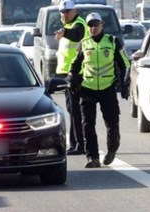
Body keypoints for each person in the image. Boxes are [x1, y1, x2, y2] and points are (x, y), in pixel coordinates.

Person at [67, 12, 130, 168]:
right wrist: (71, 79)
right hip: (87, 88)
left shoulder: (112, 41)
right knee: (87, 124)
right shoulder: (84, 43)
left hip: (107, 88)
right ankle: (92, 157)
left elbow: (125, 65)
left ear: (102, 25)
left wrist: (124, 85)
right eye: (90, 25)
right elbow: (74, 66)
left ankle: (112, 149)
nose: (93, 28)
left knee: (112, 122)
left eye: (96, 24)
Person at [54, 0, 88, 156]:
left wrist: (65, 33)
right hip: (66, 75)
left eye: (67, 12)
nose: (64, 15)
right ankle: (75, 143)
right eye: (62, 12)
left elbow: (76, 35)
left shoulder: (79, 24)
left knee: (76, 110)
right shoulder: (67, 26)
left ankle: (80, 144)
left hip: (77, 75)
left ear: (74, 11)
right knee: (72, 110)